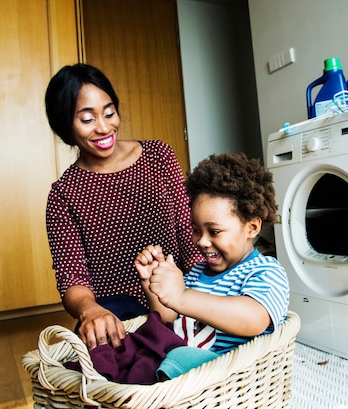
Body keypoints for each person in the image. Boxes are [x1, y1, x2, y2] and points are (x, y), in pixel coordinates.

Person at [44, 63, 203, 350]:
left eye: (109, 113)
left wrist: (206, 291)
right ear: (64, 123)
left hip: (178, 291)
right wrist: (90, 311)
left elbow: (188, 232)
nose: (104, 128)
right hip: (118, 310)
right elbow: (72, 279)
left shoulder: (158, 156)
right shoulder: (64, 194)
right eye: (87, 119)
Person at [135, 153, 290, 355]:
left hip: (225, 372)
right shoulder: (197, 273)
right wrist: (152, 284)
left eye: (214, 232)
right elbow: (168, 321)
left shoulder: (266, 271)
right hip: (183, 364)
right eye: (196, 230)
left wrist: (181, 296)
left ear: (251, 227)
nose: (202, 241)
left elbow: (253, 320)